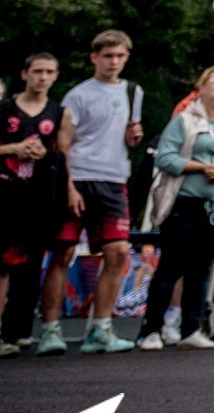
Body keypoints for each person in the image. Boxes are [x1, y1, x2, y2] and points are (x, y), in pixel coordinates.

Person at [138, 63, 214, 351]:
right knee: (171, 266)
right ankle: (151, 330)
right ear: (201, 87)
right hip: (184, 203)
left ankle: (191, 329)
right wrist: (200, 168)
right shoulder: (184, 121)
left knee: (202, 269)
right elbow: (165, 157)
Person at [50, 29, 145, 355]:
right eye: (108, 56)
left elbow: (129, 140)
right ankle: (50, 330)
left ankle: (100, 329)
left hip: (114, 180)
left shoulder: (134, 91)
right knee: (62, 253)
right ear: (94, 57)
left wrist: (135, 136)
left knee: (118, 253)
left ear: (127, 57)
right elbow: (62, 144)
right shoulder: (78, 94)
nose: (114, 62)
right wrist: (69, 185)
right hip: (77, 178)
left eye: (120, 56)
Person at [0, 52, 66, 355]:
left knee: (29, 266)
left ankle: (19, 332)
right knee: (2, 266)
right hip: (5, 193)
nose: (43, 77)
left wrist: (46, 155)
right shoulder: (5, 109)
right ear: (25, 74)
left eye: (49, 72)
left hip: (39, 197)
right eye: (37, 71)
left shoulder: (58, 112)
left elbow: (63, 154)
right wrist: (13, 148)